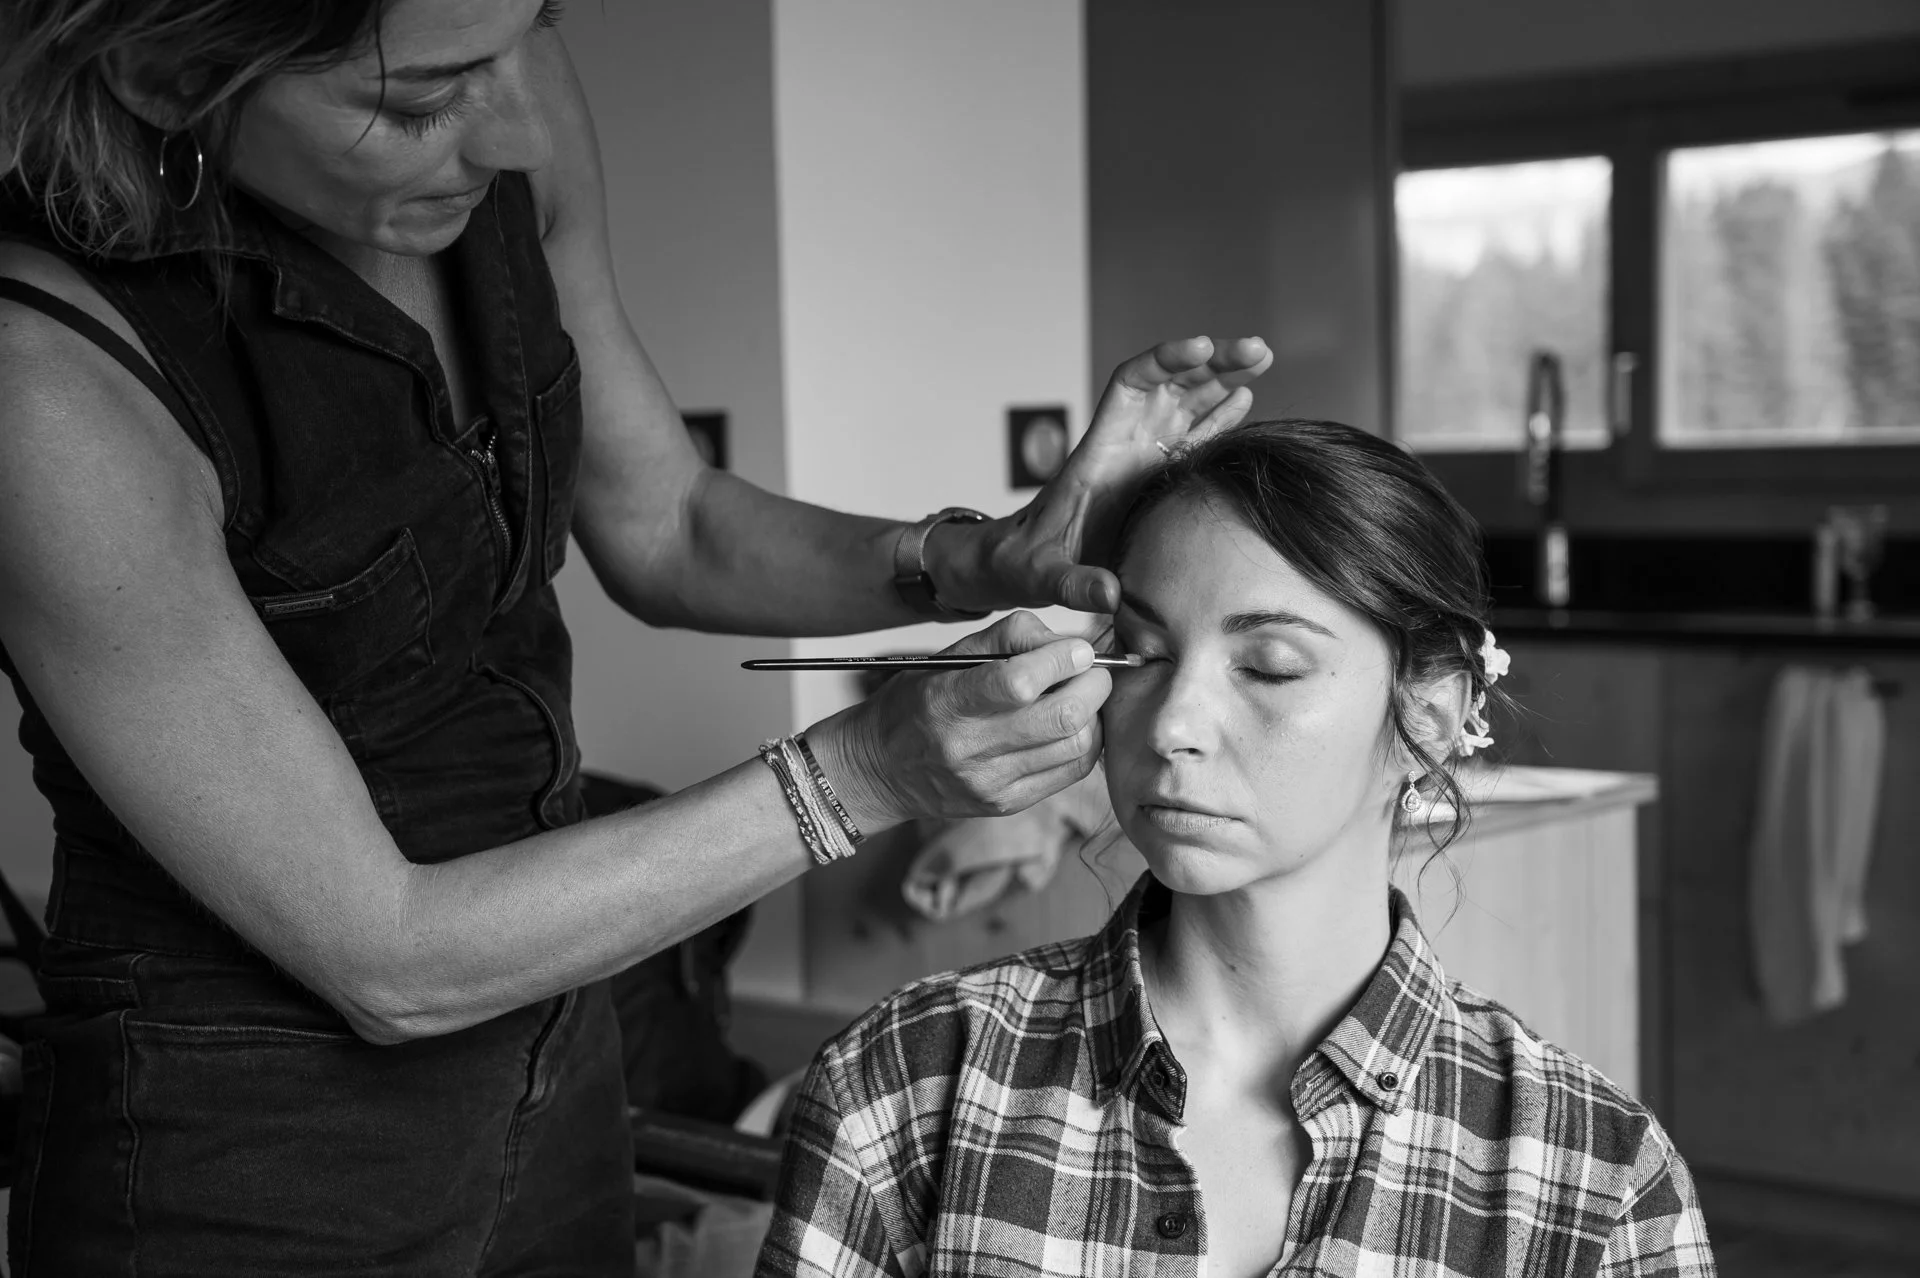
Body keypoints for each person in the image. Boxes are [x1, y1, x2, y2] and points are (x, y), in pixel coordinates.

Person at [0, 1, 1274, 1271]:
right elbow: (388, 955)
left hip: (561, 1039)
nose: (516, 132)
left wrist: (976, 558)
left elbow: (671, 524)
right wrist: (865, 772)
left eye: (523, 39)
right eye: (420, 102)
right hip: (249, 1137)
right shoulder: (44, 383)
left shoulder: (506, 80)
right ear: (163, 75)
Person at [759, 420, 1717, 1278]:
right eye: (1142, 655)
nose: (1173, 723)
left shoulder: (1595, 1180)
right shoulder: (907, 1080)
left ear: (1428, 715)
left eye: (1268, 667)